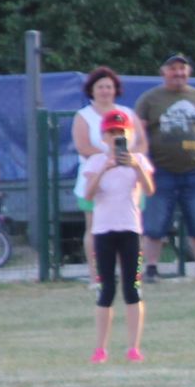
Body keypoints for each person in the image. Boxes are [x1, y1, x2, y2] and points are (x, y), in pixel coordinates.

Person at [135, 52, 195, 282]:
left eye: (182, 68)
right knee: (154, 224)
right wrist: (141, 165)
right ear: (163, 72)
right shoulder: (150, 99)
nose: (178, 73)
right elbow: (138, 134)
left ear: (189, 72)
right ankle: (151, 269)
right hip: (160, 172)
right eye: (173, 68)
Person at [78, 108, 152, 363]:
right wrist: (105, 168)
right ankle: (100, 348)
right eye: (112, 133)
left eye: (121, 132)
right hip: (104, 231)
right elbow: (88, 195)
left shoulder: (138, 160)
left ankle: (134, 347)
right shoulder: (96, 162)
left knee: (132, 288)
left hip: (130, 230)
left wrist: (135, 165)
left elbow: (150, 189)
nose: (116, 137)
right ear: (104, 136)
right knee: (105, 288)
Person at [71, 66, 147, 282]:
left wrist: (131, 159)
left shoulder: (128, 113)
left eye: (109, 86)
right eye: (100, 86)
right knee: (94, 227)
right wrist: (109, 158)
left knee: (132, 229)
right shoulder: (83, 116)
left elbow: (141, 143)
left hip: (129, 182)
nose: (105, 91)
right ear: (92, 90)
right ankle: (97, 276)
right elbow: (83, 147)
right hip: (96, 180)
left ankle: (132, 274)